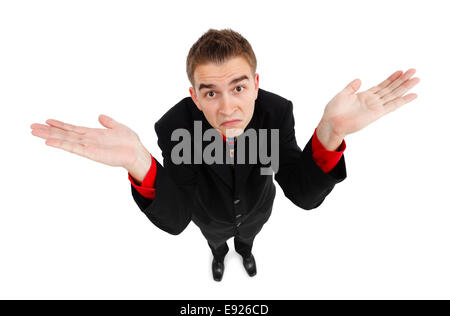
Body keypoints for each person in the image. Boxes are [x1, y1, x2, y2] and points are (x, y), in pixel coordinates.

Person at [30, 28, 420, 282]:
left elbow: (302, 193)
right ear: (195, 97)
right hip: (209, 217)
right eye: (211, 92)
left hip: (256, 210)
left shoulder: (275, 113)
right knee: (216, 241)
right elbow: (177, 216)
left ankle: (245, 251)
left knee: (248, 238)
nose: (227, 107)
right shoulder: (175, 127)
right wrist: (139, 162)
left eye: (238, 87)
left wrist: (330, 132)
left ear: (255, 85)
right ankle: (219, 256)